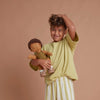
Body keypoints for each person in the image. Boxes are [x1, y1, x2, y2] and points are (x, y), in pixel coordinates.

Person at [29, 14, 79, 100]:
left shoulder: (67, 43)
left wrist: (63, 16)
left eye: (60, 30)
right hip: (50, 83)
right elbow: (32, 63)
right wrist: (40, 61)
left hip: (64, 81)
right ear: (50, 30)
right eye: (53, 30)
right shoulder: (44, 48)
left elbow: (72, 27)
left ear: (65, 32)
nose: (56, 33)